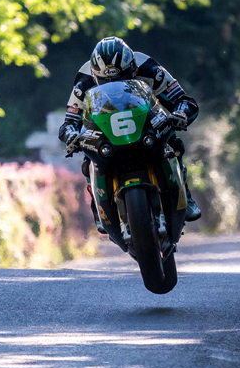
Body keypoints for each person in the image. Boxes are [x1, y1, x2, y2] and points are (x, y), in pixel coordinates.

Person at [58, 36, 202, 233]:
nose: (114, 85)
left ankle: (185, 194)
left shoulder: (150, 69)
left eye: (121, 78)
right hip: (107, 130)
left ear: (132, 68)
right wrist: (71, 136)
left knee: (174, 143)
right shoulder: (83, 82)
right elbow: (69, 122)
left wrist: (180, 114)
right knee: (88, 159)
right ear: (95, 75)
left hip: (145, 122)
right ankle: (99, 208)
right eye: (105, 81)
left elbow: (184, 101)